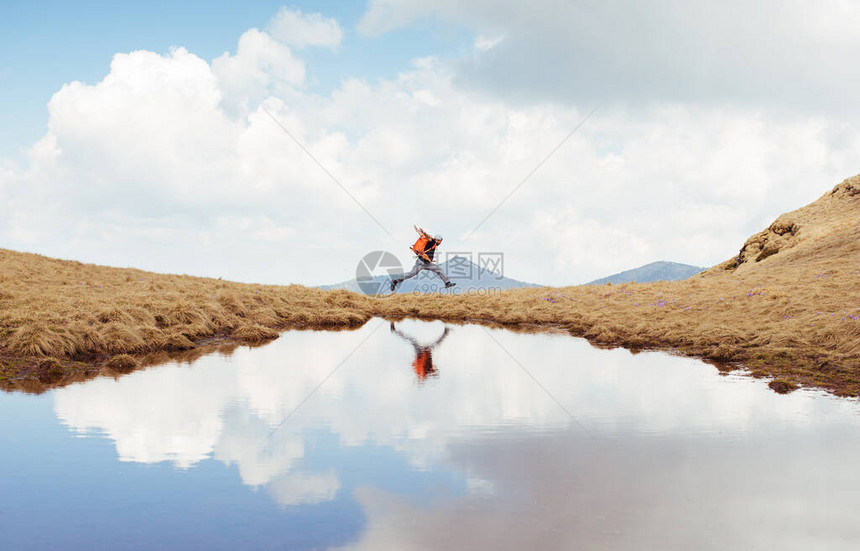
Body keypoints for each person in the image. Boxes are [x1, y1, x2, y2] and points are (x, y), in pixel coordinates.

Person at [390, 225, 456, 291]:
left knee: (439, 270)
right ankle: (395, 280)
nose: (440, 242)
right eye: (439, 241)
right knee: (411, 274)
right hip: (421, 263)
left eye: (440, 241)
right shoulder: (432, 241)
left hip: (428, 263)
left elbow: (423, 236)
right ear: (437, 240)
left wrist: (419, 231)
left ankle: (447, 283)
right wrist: (424, 232)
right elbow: (428, 237)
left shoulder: (433, 243)